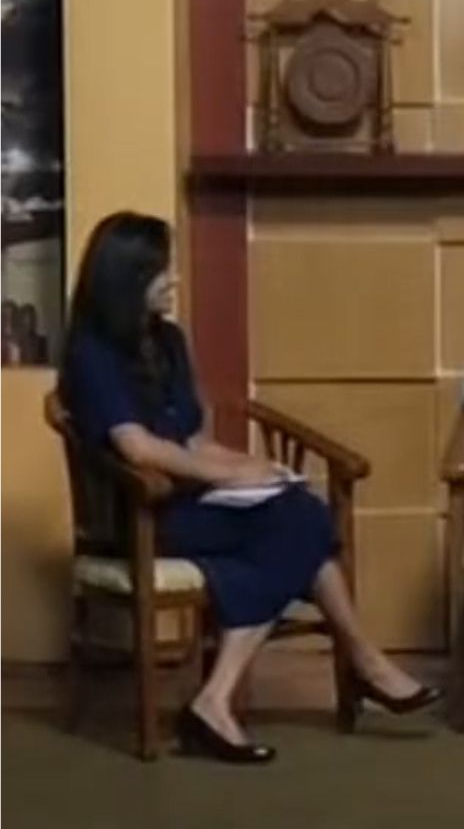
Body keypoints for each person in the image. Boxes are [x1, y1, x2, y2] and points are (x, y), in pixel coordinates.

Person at [59, 212, 437, 765]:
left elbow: (193, 439)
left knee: (296, 513)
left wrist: (256, 468)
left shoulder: (168, 340)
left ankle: (217, 699)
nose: (175, 279)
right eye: (163, 270)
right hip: (142, 509)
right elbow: (138, 448)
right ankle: (362, 660)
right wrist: (229, 476)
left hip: (192, 498)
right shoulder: (92, 354)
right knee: (304, 526)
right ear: (128, 278)